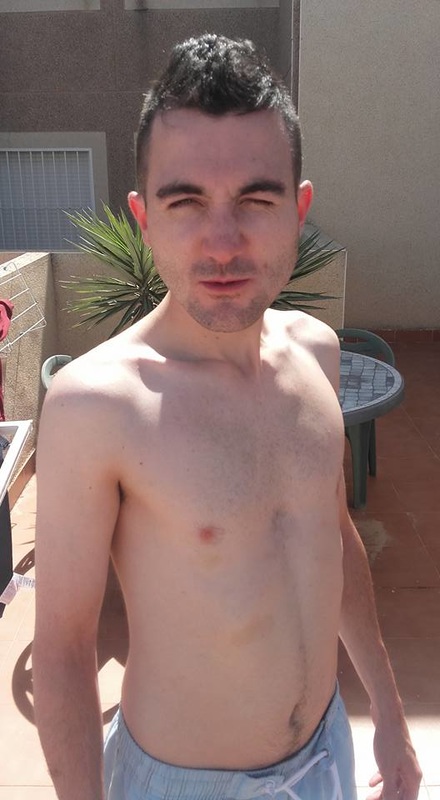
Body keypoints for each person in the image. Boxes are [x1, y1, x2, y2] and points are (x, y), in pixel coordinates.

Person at [33, 33, 422, 800]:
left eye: (255, 199)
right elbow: (64, 652)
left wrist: (387, 708)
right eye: (186, 202)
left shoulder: (315, 353)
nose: (222, 242)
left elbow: (333, 539)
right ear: (145, 218)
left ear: (298, 209)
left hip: (327, 757)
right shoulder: (96, 405)